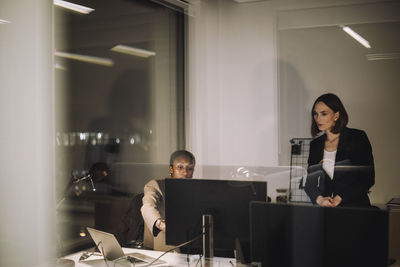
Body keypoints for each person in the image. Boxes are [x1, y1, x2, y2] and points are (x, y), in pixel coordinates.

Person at [304, 93, 374, 208]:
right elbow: (310, 182)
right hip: (327, 212)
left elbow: (367, 178)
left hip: (355, 210)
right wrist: (320, 200)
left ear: (336, 115)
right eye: (315, 114)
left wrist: (339, 198)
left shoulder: (357, 137)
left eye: (324, 114)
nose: (318, 119)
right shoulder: (315, 145)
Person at [141, 150, 195, 251]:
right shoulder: (156, 185)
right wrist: (162, 225)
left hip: (191, 251)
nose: (185, 172)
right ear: (171, 169)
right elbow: (147, 207)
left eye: (190, 168)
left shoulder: (196, 190)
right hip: (163, 252)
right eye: (180, 167)